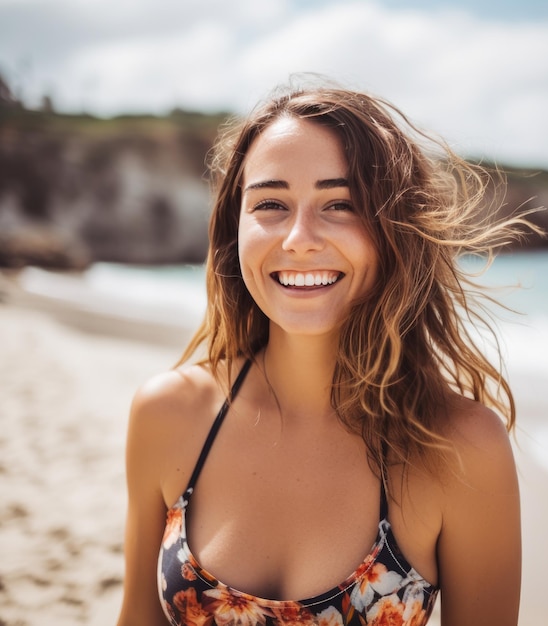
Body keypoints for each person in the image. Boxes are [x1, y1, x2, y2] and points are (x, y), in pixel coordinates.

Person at [117, 78, 527, 626]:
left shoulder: (461, 449)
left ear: (395, 230)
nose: (299, 238)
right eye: (270, 203)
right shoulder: (168, 413)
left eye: (341, 203)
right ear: (232, 231)